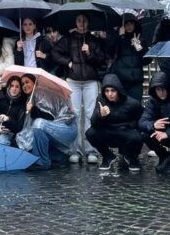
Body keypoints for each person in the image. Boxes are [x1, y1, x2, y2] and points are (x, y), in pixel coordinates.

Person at [53, 13, 105, 164]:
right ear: (75, 23)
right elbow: (55, 52)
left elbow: (101, 59)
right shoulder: (68, 39)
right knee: (74, 114)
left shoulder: (94, 40)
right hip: (73, 80)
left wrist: (89, 53)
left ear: (88, 23)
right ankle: (74, 149)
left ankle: (91, 150)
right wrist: (68, 62)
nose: (82, 23)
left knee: (90, 114)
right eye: (79, 20)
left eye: (84, 20)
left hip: (90, 81)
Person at [16, 75, 78, 170]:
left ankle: (42, 162)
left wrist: (33, 109)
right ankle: (57, 156)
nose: (24, 85)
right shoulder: (31, 97)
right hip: (58, 129)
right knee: (32, 133)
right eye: (23, 84)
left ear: (35, 82)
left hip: (67, 128)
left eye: (27, 82)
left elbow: (49, 117)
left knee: (39, 124)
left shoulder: (40, 92)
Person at [85, 74, 144, 173]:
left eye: (113, 91)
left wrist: (130, 125)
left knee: (138, 137)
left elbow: (142, 119)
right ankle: (107, 156)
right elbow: (93, 123)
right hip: (107, 131)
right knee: (90, 133)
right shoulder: (101, 99)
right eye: (107, 91)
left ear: (118, 90)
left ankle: (132, 157)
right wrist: (101, 115)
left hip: (124, 132)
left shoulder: (132, 103)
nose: (110, 94)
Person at [105, 17, 146, 103]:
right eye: (127, 24)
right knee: (120, 106)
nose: (129, 26)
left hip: (135, 81)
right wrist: (118, 36)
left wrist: (138, 47)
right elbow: (109, 53)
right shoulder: (118, 39)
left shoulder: (140, 39)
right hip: (120, 80)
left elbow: (147, 60)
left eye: (131, 24)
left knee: (136, 106)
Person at [0, 76, 28, 145]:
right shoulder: (1, 97)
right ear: (8, 87)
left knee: (1, 140)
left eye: (17, 87)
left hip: (9, 132)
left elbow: (19, 127)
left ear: (20, 90)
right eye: (12, 86)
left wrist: (8, 119)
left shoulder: (22, 105)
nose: (14, 89)